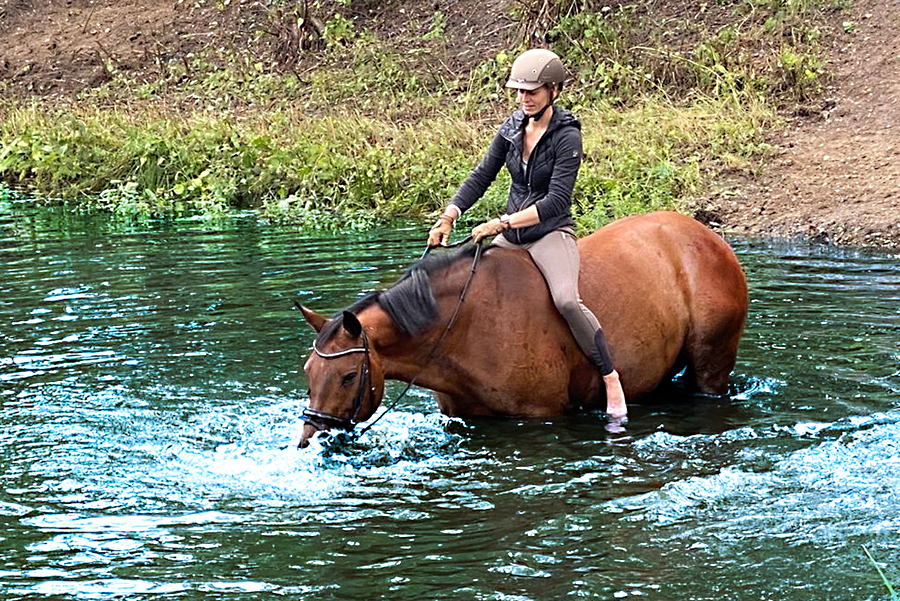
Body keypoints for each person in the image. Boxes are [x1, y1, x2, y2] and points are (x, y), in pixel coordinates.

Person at [426, 48, 627, 420]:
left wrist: (502, 223)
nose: (524, 98)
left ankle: (609, 376)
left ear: (553, 90)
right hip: (511, 237)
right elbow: (481, 175)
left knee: (567, 301)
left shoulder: (567, 137)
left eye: (531, 91)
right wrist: (449, 216)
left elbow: (556, 200)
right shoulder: (511, 128)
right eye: (519, 91)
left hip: (549, 233)